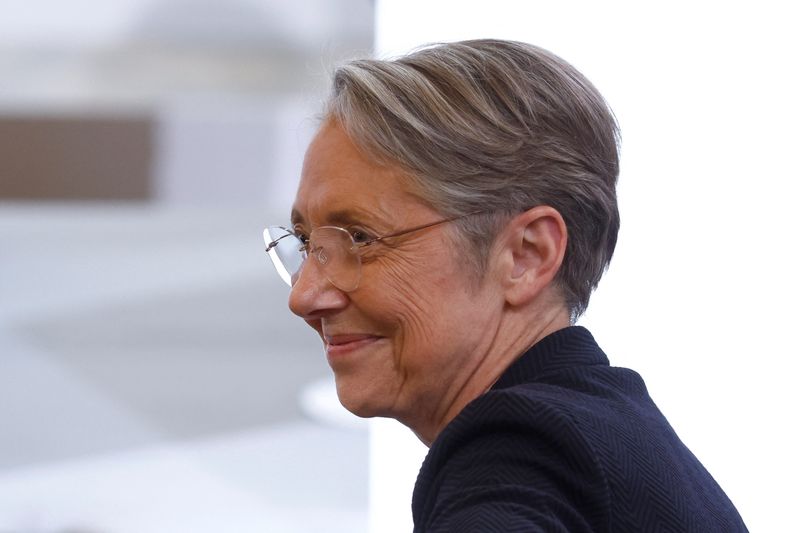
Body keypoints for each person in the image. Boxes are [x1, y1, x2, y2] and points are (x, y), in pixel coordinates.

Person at [263, 39, 747, 532]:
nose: (304, 296)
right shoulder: (608, 439)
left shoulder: (524, 450)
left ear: (527, 256)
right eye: (305, 243)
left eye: (360, 238)